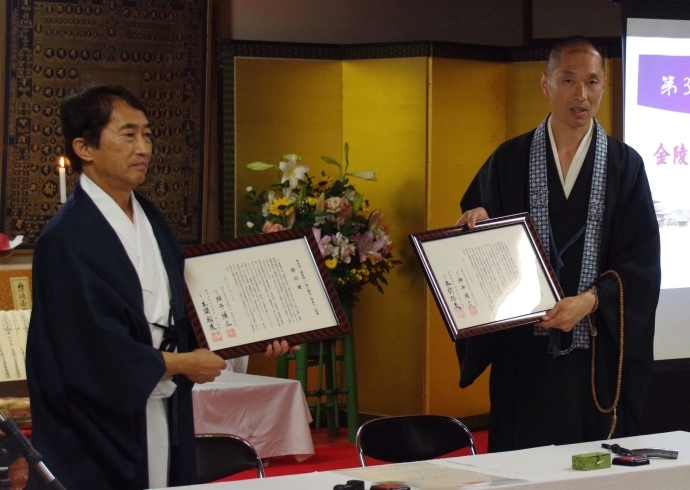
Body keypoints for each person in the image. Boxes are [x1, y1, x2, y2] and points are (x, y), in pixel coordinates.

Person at [26, 84, 294, 489]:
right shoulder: (65, 239)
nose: (144, 148)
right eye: (128, 134)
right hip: (100, 424)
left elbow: (183, 308)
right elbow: (88, 348)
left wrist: (254, 335)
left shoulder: (150, 217)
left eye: (148, 135)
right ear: (85, 148)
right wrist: (181, 364)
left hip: (162, 404)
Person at [455, 36, 661, 452]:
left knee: (592, 464)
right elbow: (478, 238)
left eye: (592, 82)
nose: (580, 95)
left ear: (605, 86)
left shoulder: (626, 166)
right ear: (545, 84)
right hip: (522, 352)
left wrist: (589, 301)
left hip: (596, 354)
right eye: (568, 80)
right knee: (522, 462)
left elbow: (642, 262)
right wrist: (474, 226)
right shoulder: (509, 159)